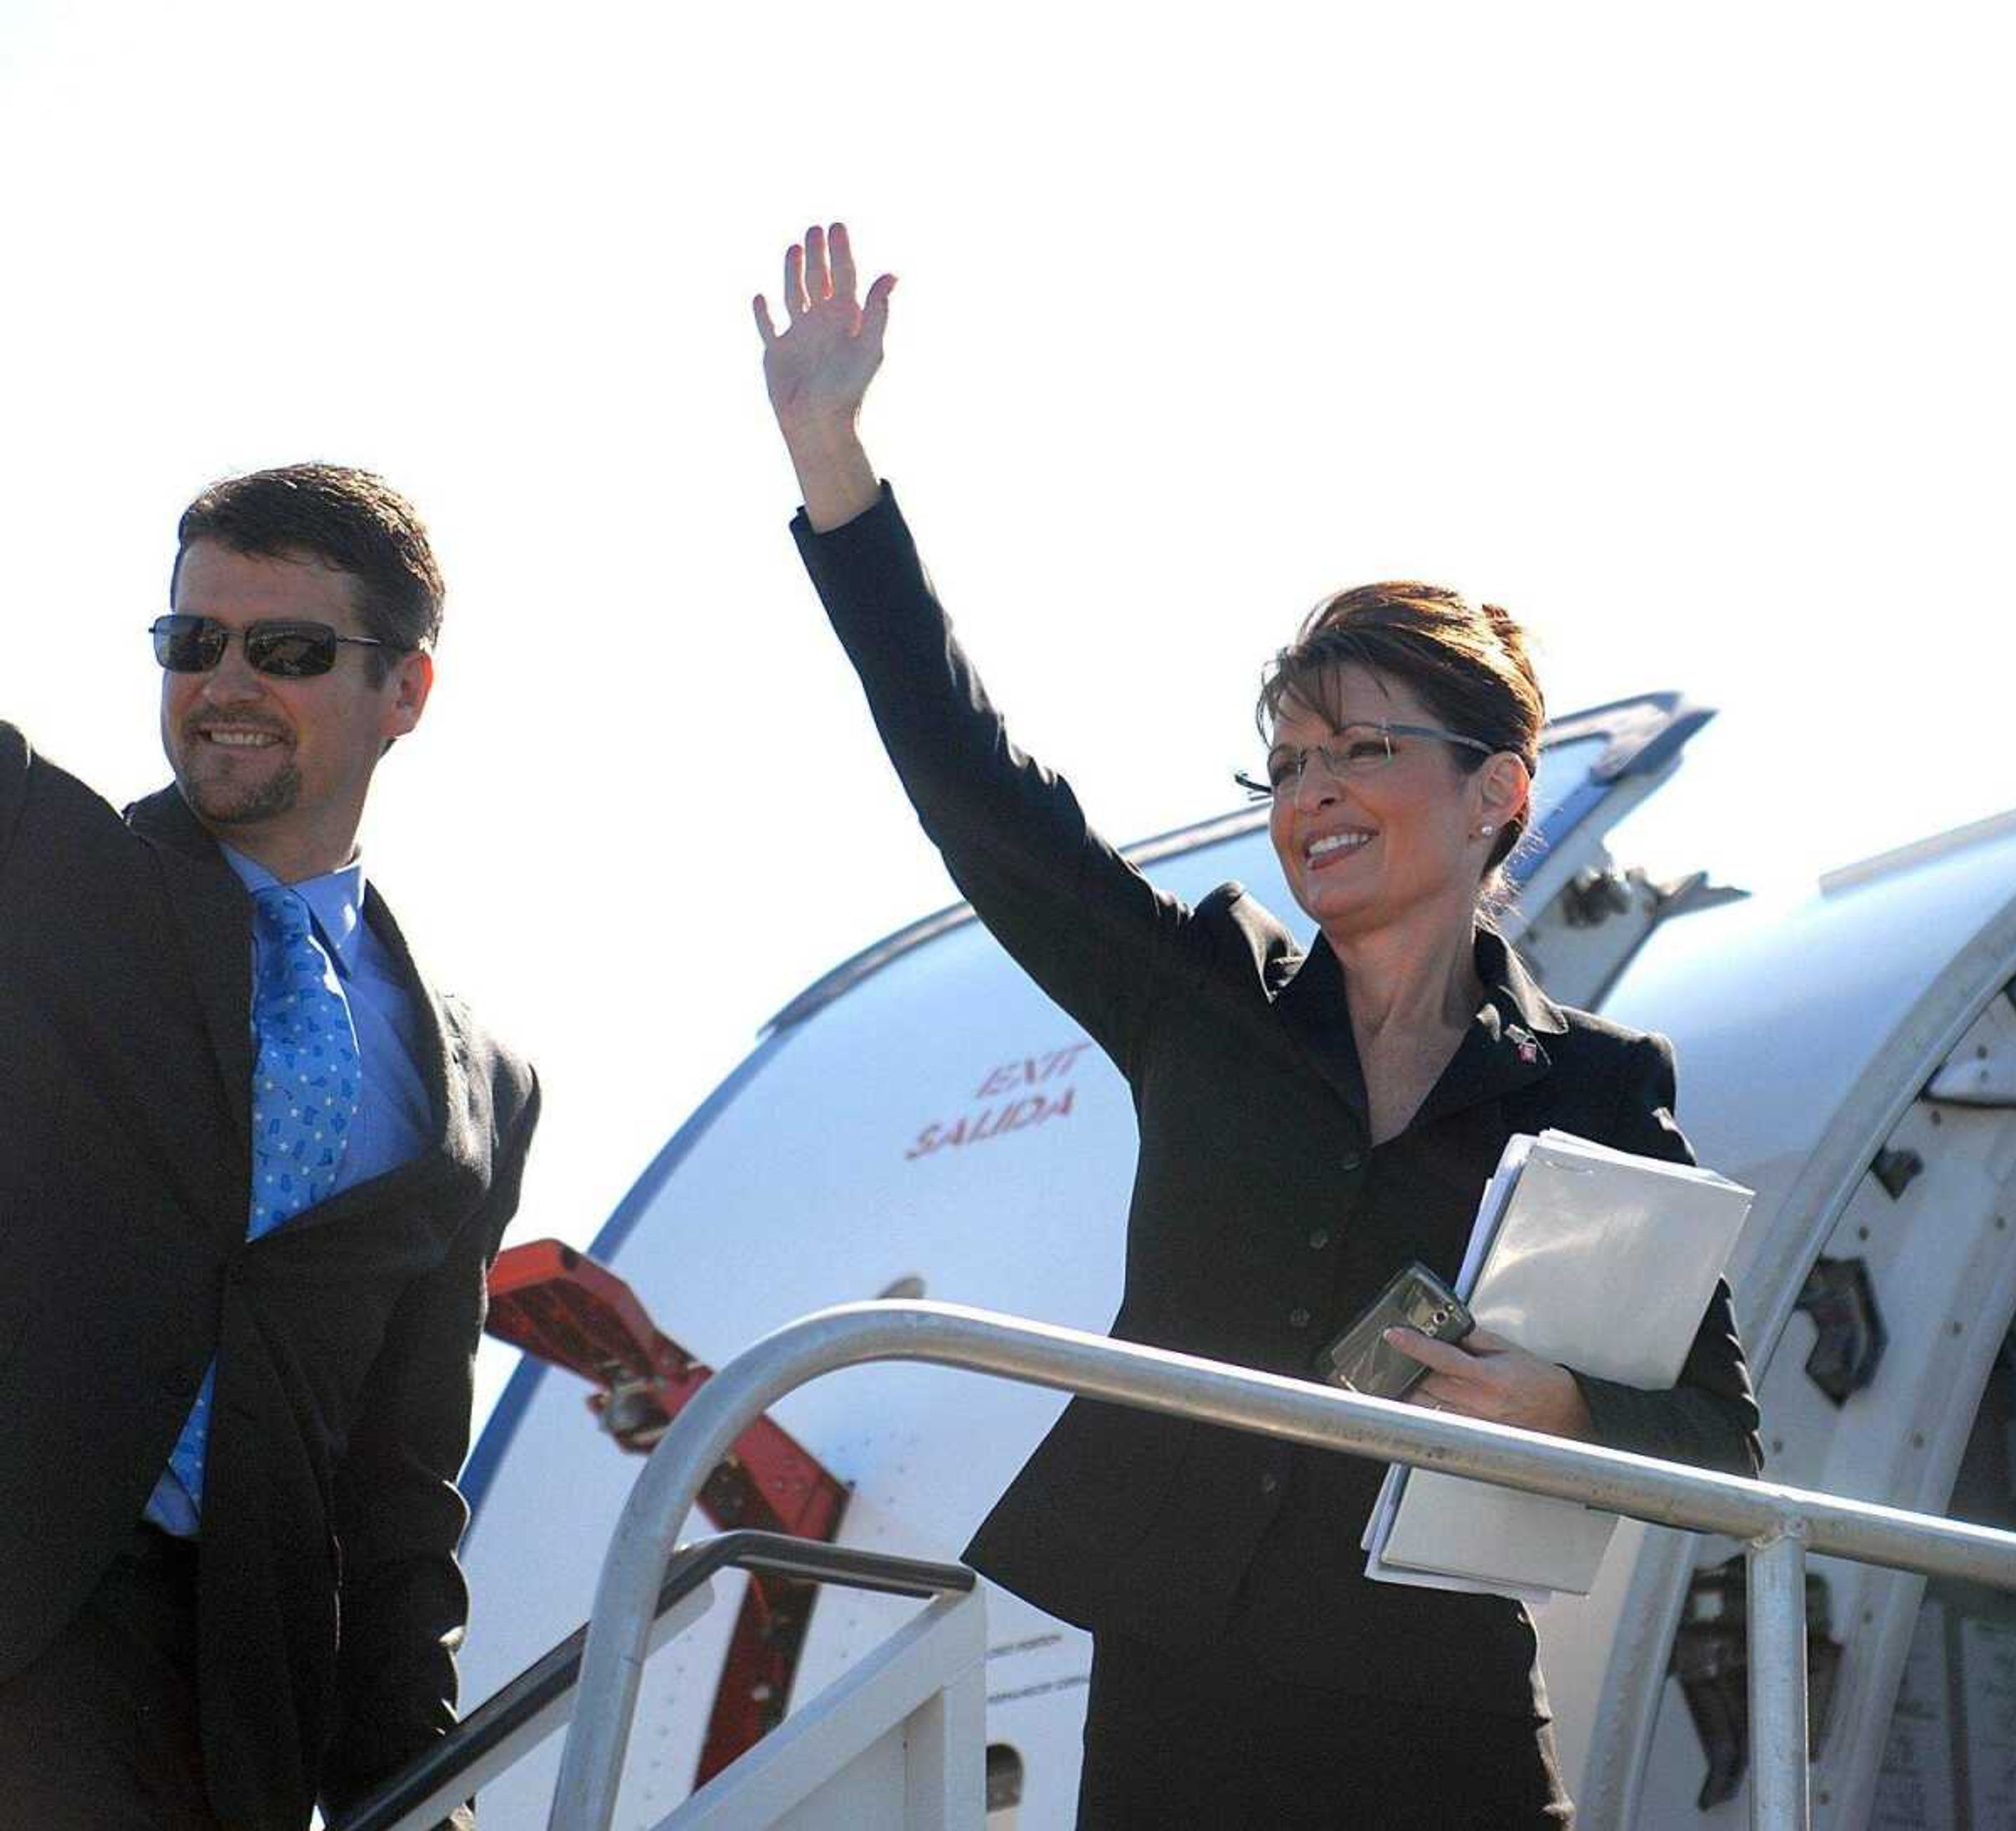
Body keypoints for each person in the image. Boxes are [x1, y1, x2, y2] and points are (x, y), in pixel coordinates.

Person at [754, 223, 1761, 1827]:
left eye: (1358, 750)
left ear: (1496, 790)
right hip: (1182, 1696)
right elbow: (977, 791)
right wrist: (836, 469)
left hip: (1444, 1713)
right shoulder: (1202, 996)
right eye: (1286, 766)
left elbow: (1724, 1445)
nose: (1312, 797)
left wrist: (1569, 1409)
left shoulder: (1591, 1087)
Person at [0, 464, 542, 1831]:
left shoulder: (473, 1078)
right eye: (193, 641)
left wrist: (420, 1793)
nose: (224, 682)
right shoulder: (40, 866)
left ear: (404, 692)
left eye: (287, 650)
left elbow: (400, 1481)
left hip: (233, 1704)